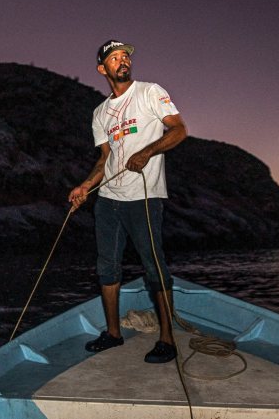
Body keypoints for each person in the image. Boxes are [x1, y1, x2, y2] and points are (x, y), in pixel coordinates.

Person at [68, 40, 187, 363]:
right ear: (102, 69)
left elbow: (179, 130)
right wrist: (85, 186)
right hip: (108, 199)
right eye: (114, 58)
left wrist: (147, 151)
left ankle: (166, 339)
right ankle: (113, 333)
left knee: (153, 265)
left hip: (144, 196)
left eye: (125, 57)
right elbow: (104, 158)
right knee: (107, 266)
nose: (122, 62)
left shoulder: (150, 92)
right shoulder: (100, 112)